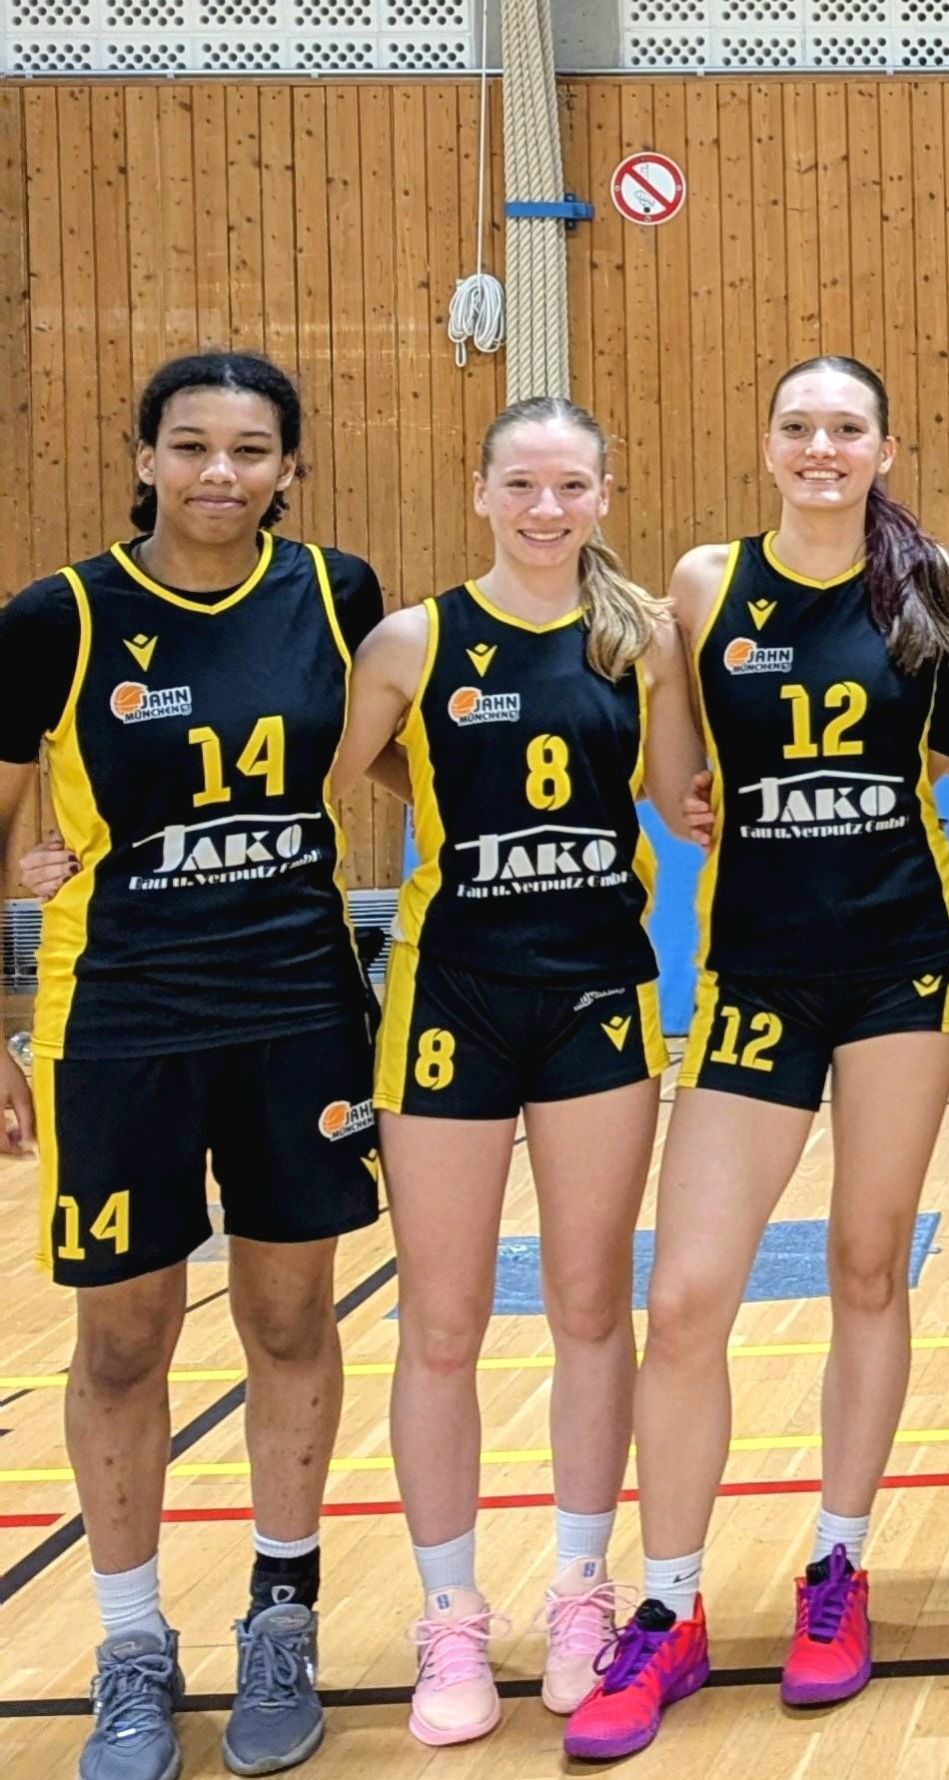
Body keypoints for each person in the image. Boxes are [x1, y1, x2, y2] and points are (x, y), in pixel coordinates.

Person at [565, 358, 949, 1760]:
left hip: (903, 964)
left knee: (868, 1266)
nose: (821, 448)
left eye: (846, 429)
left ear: (884, 450)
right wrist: (682, 790)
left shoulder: (925, 589)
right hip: (756, 973)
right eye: (799, 427)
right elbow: (674, 775)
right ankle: (668, 1603)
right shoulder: (704, 583)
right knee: (685, 1298)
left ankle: (837, 1566)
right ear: (767, 446)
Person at [0, 350, 386, 1780]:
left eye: (251, 448)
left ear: (290, 466)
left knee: (289, 1321)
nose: (221, 472)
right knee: (120, 1340)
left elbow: (412, 760)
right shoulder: (58, 619)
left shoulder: (336, 594)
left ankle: (281, 1618)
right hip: (118, 1021)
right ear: (144, 456)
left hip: (296, 1009)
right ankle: (128, 1646)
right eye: (192, 445)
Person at [328, 399, 699, 1744]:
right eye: (524, 486)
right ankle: (449, 1618)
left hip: (597, 993)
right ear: (479, 490)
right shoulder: (411, 641)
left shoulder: (643, 639)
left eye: (572, 487)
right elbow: (342, 771)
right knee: (443, 1321)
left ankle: (583, 1592)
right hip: (452, 1000)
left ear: (606, 493)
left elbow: (679, 796)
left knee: (593, 1306)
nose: (549, 510)